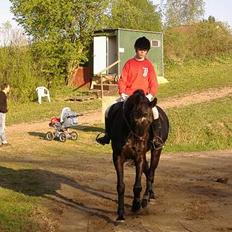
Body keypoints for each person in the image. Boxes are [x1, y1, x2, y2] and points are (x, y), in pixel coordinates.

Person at [96, 36, 162, 148]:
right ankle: (107, 135)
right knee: (108, 110)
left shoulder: (149, 65)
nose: (142, 52)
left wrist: (151, 95)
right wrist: (122, 93)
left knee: (155, 113)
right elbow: (122, 80)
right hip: (128, 96)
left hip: (144, 98)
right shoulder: (129, 63)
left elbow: (153, 83)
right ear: (136, 49)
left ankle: (156, 138)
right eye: (141, 50)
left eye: (145, 50)